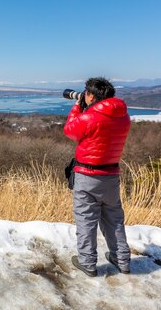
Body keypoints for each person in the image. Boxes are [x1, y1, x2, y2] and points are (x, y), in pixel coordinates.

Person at [63, 77, 131, 277]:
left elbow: (70, 130)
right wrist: (88, 107)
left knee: (86, 220)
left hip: (87, 175)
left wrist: (77, 107)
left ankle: (88, 263)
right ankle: (122, 260)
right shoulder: (123, 116)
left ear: (91, 95)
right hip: (111, 176)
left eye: (85, 93)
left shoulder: (89, 117)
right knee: (114, 219)